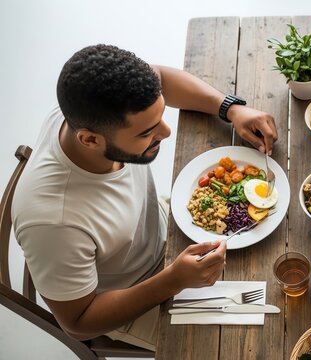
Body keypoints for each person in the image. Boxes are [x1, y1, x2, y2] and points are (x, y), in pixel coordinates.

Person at [11, 44, 278, 350]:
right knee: (254, 340)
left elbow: (160, 77)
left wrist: (230, 108)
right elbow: (78, 323)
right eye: (146, 132)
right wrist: (173, 280)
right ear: (89, 139)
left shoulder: (93, 105)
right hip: (133, 297)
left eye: (161, 115)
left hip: (168, 239)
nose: (166, 132)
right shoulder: (52, 223)